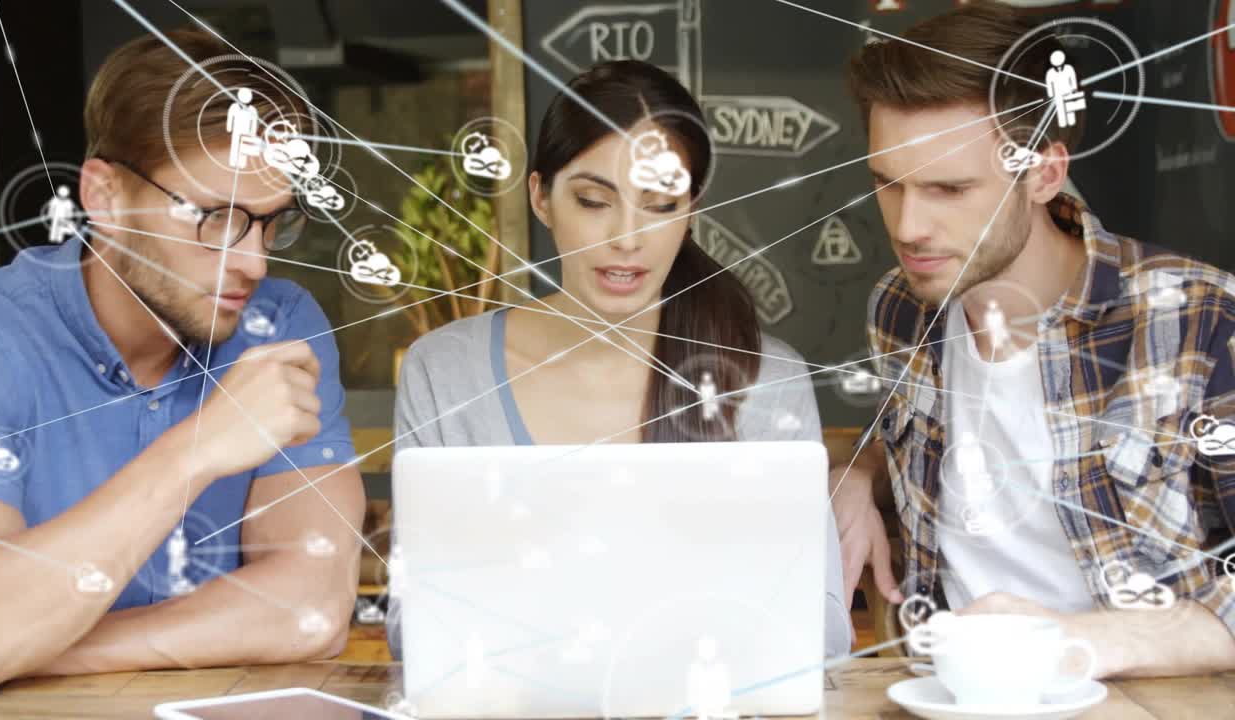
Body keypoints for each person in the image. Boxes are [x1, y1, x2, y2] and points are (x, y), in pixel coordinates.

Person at [389, 60, 852, 659]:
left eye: (660, 204)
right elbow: (414, 627)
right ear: (541, 197)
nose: (627, 239)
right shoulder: (445, 374)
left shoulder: (766, 378)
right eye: (593, 200)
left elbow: (820, 629)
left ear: (691, 211)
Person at [0, 31, 363, 698]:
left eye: (269, 223)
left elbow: (312, 606)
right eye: (214, 217)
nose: (254, 263)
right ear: (106, 198)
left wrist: (32, 647)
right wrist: (196, 449)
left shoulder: (278, 323)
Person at [832, 2, 1235, 678]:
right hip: (949, 694)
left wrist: (1074, 644)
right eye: (888, 185)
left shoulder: (1197, 317)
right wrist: (858, 476)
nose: (908, 227)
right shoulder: (901, 307)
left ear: (1046, 173)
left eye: (950, 188)